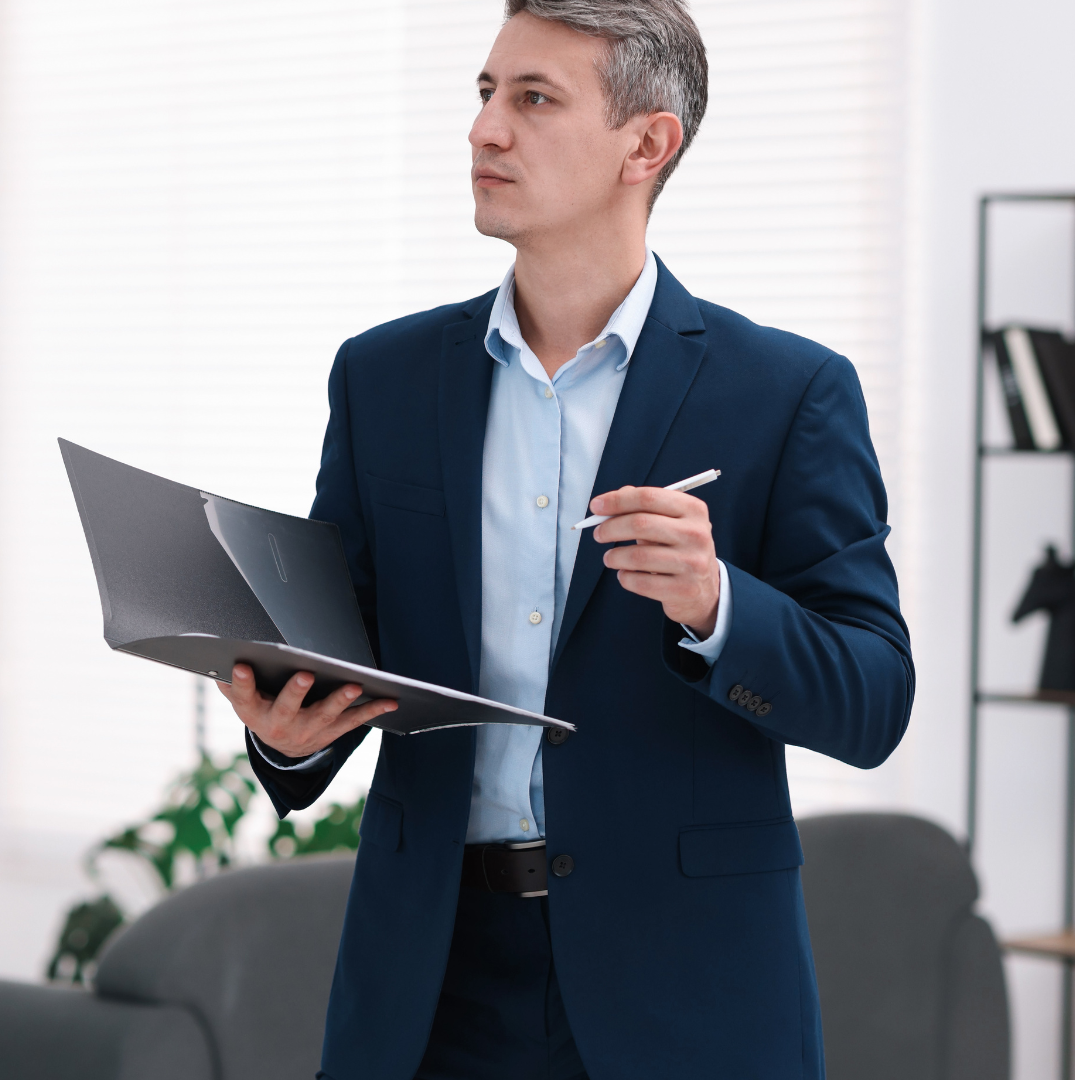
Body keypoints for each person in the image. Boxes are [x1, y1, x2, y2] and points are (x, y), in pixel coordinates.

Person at [218, 2, 913, 1077]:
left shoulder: (788, 393)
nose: (486, 129)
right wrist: (289, 736)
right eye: (486, 93)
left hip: (684, 991)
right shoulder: (383, 378)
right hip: (428, 981)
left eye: (533, 98)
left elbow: (874, 698)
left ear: (648, 144)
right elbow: (342, 645)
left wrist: (718, 604)